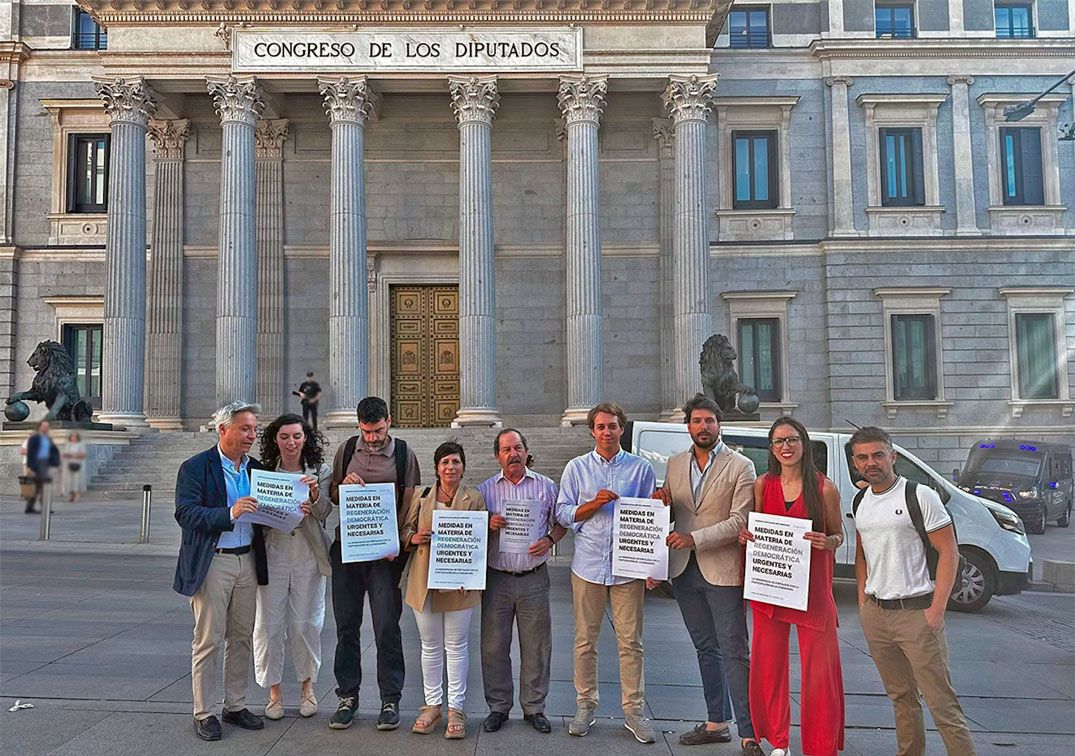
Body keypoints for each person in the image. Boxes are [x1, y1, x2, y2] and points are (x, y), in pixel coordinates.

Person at [851, 426, 976, 756]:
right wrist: (863, 600)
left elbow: (949, 552)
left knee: (941, 703)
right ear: (854, 462)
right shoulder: (861, 499)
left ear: (892, 456)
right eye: (863, 457)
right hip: (877, 614)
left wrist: (936, 609)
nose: (871, 462)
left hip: (917, 613)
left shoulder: (919, 496)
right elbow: (862, 552)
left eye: (878, 454)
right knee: (901, 698)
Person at [652, 395, 762, 755]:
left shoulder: (741, 465)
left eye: (709, 421)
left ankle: (748, 731)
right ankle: (717, 722)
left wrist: (692, 539)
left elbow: (739, 520)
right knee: (705, 648)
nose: (703, 427)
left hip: (723, 570)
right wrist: (660, 504)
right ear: (688, 426)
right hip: (684, 572)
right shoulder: (674, 463)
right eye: (696, 421)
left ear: (720, 425)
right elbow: (674, 515)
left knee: (734, 649)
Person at [738, 417, 845, 756]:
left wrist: (827, 542)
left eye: (792, 439)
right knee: (768, 666)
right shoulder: (761, 484)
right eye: (779, 441)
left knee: (819, 670)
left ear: (804, 444)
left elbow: (839, 535)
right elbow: (756, 530)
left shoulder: (824, 487)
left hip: (812, 590)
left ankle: (820, 745)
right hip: (771, 588)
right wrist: (746, 538)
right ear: (771, 448)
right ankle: (776, 739)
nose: (786, 446)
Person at [556, 402, 657, 744]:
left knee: (631, 642)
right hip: (588, 564)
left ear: (622, 429)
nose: (607, 432)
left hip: (627, 569)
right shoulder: (577, 468)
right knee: (585, 640)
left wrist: (651, 565)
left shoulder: (641, 469)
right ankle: (585, 704)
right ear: (592, 431)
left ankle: (634, 711)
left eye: (613, 426)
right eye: (600, 427)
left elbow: (649, 520)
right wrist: (594, 504)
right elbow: (564, 513)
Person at [173, 401, 268, 742]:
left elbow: (267, 515)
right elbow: (186, 513)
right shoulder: (196, 467)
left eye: (254, 429)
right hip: (214, 560)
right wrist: (229, 513)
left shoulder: (256, 469)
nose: (251, 435)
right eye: (245, 428)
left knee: (242, 637)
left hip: (248, 561)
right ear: (223, 429)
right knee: (209, 639)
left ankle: (235, 704)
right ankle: (204, 712)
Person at [327, 396, 420, 731]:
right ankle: (347, 697)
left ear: (389, 422)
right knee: (346, 626)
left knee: (386, 627)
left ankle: (390, 699)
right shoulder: (346, 449)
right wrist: (343, 486)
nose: (372, 438)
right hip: (348, 550)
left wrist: (399, 543)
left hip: (385, 555)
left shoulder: (404, 453)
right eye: (366, 431)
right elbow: (333, 495)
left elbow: (410, 503)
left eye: (377, 431)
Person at [477, 429, 567, 734]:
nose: (512, 454)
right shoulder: (486, 490)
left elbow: (561, 522)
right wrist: (487, 524)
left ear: (526, 451)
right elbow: (473, 530)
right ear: (497, 456)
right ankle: (498, 706)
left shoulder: (546, 486)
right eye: (505, 450)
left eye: (517, 448)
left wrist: (549, 540)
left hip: (533, 579)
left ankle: (534, 707)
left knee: (537, 646)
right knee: (493, 647)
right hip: (497, 580)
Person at [400, 441, 487, 739]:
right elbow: (405, 531)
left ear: (464, 466)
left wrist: (470, 571)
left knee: (457, 645)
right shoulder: (423, 496)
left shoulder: (474, 498)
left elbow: (479, 541)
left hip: (460, 582)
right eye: (445, 462)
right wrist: (415, 538)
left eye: (456, 462)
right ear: (436, 468)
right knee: (430, 646)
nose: (450, 467)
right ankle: (432, 705)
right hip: (425, 580)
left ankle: (456, 709)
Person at [252, 414, 333, 720]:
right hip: (273, 550)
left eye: (296, 436)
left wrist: (313, 497)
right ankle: (274, 692)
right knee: (269, 625)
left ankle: (307, 687)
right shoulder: (262, 472)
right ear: (275, 439)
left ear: (305, 439)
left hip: (307, 551)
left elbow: (326, 510)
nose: (291, 442)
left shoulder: (320, 471)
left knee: (305, 623)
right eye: (284, 437)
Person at [24, 420, 60, 514]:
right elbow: (30, 453)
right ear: (40, 427)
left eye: (47, 427)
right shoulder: (34, 438)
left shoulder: (48, 439)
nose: (45, 428)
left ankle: (33, 507)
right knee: (41, 486)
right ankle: (41, 507)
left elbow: (54, 452)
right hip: (37, 464)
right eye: (44, 426)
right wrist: (29, 467)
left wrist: (56, 464)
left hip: (46, 464)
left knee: (40, 487)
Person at [61, 431, 88, 503]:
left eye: (75, 436)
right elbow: (64, 454)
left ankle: (77, 495)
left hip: (77, 464)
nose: (73, 438)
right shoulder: (68, 444)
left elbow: (83, 454)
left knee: (76, 480)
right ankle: (71, 495)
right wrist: (71, 455)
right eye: (72, 436)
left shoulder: (80, 444)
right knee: (69, 481)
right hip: (69, 464)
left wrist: (74, 455)